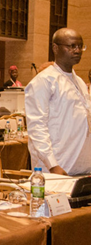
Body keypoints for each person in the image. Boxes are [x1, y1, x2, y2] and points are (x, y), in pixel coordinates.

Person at [25, 28, 91, 175]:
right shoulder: (43, 81)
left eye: (80, 46)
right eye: (71, 46)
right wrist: (52, 164)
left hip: (81, 164)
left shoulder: (79, 82)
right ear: (55, 48)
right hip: (58, 166)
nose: (77, 50)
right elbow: (37, 126)